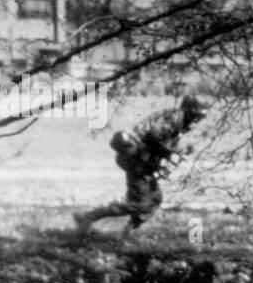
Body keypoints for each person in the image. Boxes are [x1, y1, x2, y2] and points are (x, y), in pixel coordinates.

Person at [75, 94, 207, 231]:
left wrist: (175, 152)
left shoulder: (179, 121)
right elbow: (154, 137)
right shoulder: (174, 119)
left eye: (201, 117)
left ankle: (129, 231)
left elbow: (162, 142)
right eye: (197, 116)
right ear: (188, 111)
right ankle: (88, 217)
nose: (197, 120)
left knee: (154, 200)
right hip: (136, 160)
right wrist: (172, 152)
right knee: (139, 204)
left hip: (143, 162)